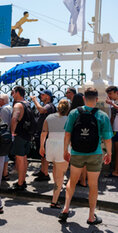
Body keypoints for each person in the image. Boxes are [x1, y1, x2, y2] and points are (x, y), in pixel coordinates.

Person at [59, 87, 112, 225]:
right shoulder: (102, 115)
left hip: (76, 152)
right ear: (97, 99)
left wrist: (65, 150)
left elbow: (67, 134)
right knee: (93, 185)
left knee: (72, 181)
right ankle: (91, 217)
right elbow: (107, 138)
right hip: (95, 154)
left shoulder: (74, 113)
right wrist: (109, 153)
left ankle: (65, 208)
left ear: (83, 98)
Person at [39, 99, 70, 209]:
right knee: (60, 175)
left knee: (55, 169)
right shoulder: (69, 119)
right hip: (63, 147)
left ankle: (56, 188)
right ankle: (54, 200)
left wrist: (41, 147)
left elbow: (43, 133)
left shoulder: (49, 117)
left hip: (51, 145)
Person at [31, 90, 57, 182]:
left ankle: (45, 173)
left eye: (43, 95)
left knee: (45, 153)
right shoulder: (47, 105)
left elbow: (41, 110)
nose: (40, 96)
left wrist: (34, 101)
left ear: (48, 96)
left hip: (46, 133)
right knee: (42, 154)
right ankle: (43, 171)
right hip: (41, 133)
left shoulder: (49, 106)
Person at [10, 86, 32, 191]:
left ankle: (20, 183)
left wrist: (12, 132)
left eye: (13, 92)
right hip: (27, 134)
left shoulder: (18, 105)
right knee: (24, 158)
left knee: (19, 158)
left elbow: (15, 118)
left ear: (18, 92)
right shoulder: (27, 103)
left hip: (19, 135)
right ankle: (22, 181)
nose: (12, 94)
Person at [0, 94, 12, 180]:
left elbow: (2, 123)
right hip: (8, 133)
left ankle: (4, 173)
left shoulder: (3, 109)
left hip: (3, 134)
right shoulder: (9, 108)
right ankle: (5, 173)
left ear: (2, 101)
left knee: (3, 155)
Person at [105, 86, 118, 178]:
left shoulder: (114, 103)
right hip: (115, 130)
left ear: (116, 92)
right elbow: (113, 117)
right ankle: (116, 170)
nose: (109, 96)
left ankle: (116, 171)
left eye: (110, 94)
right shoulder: (114, 102)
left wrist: (112, 104)